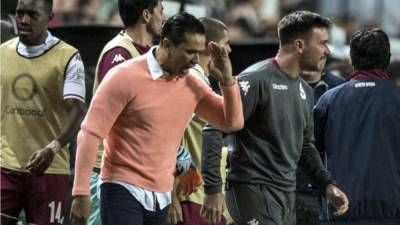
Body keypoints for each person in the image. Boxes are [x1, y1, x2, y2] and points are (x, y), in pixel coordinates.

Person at [70, 12, 244, 225]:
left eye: (198, 53)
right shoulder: (124, 76)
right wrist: (80, 193)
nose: (196, 60)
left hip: (160, 196)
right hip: (122, 187)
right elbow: (90, 133)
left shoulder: (192, 84)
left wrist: (227, 81)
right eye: (190, 52)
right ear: (168, 45)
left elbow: (232, 123)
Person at [201, 11, 349, 225]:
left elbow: (306, 146)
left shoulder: (305, 91)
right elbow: (213, 129)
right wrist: (213, 188)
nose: (328, 50)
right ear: (299, 45)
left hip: (287, 195)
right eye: (323, 43)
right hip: (252, 191)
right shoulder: (254, 80)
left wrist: (327, 185)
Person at [0, 0, 86, 224]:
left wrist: (53, 147)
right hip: (6, 166)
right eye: (19, 14)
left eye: (32, 14)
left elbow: (76, 110)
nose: (24, 20)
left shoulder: (68, 57)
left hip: (50, 169)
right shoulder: (2, 53)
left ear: (49, 17)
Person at [87, 1, 165, 224]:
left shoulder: (150, 54)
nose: (165, 17)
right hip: (107, 172)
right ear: (147, 15)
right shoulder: (119, 54)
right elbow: (113, 117)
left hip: (136, 171)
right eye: (161, 11)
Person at [315, 28, 400, 225]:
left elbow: (312, 156)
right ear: (387, 59)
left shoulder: (327, 100)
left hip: (340, 212)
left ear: (351, 59)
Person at [166, 17, 232, 225]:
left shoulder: (201, 79)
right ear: (210, 47)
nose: (229, 50)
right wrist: (171, 196)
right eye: (225, 44)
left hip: (201, 195)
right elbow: (166, 137)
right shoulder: (190, 81)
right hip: (191, 197)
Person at [296, 68, 345, 225]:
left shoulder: (341, 88)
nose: (325, 51)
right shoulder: (281, 83)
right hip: (290, 186)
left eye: (324, 43)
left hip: (327, 187)